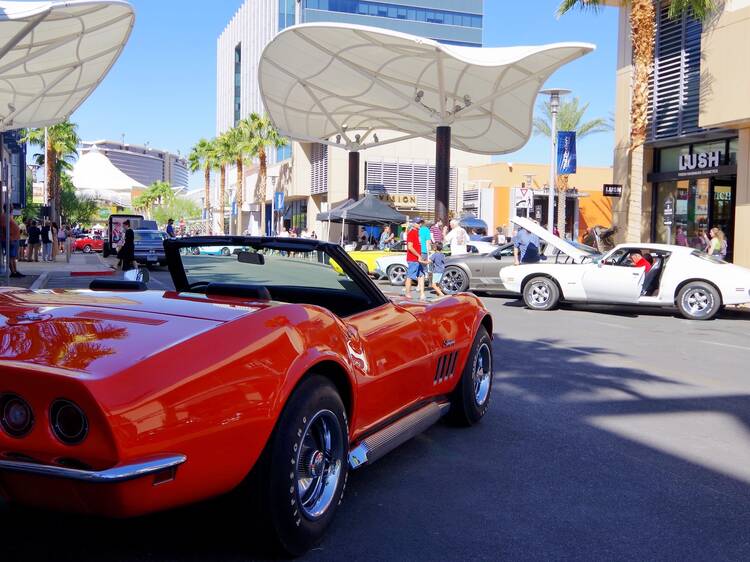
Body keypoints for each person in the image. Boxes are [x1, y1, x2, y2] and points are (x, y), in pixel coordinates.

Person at [404, 220, 428, 300]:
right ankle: (407, 293)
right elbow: (410, 247)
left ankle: (422, 294)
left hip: (418, 258)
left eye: (420, 223)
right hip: (413, 258)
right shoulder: (412, 233)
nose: (420, 224)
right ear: (414, 224)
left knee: (421, 275)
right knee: (410, 276)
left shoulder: (417, 232)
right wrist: (418, 255)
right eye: (418, 223)